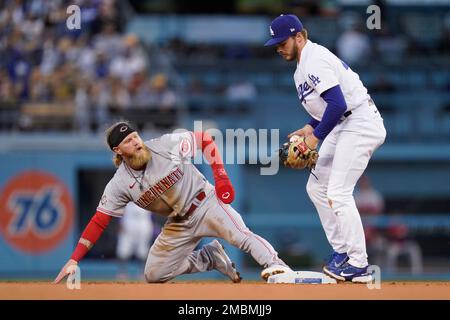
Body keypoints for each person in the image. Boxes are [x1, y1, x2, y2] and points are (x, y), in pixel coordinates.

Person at [54, 121, 291, 284]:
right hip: (178, 223)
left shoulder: (163, 145)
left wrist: (220, 174)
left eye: (135, 136)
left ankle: (278, 266)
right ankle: (209, 257)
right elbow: (99, 221)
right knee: (154, 274)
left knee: (241, 235)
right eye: (128, 141)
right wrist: (74, 259)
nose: (136, 142)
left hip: (206, 203)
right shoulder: (119, 183)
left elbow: (204, 140)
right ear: (118, 150)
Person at [264, 14, 386, 283]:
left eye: (282, 41)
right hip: (343, 124)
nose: (279, 47)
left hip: (359, 122)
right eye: (276, 43)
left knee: (338, 192)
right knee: (316, 188)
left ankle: (358, 263)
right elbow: (327, 107)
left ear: (300, 36)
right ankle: (342, 252)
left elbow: (338, 104)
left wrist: (315, 138)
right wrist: (310, 128)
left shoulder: (314, 58)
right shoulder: (301, 67)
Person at [116, 202, 154, 280]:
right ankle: (122, 272)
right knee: (123, 249)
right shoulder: (126, 193)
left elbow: (153, 213)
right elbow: (120, 209)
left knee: (143, 250)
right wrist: (120, 222)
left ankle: (142, 273)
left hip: (143, 221)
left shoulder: (149, 193)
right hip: (129, 220)